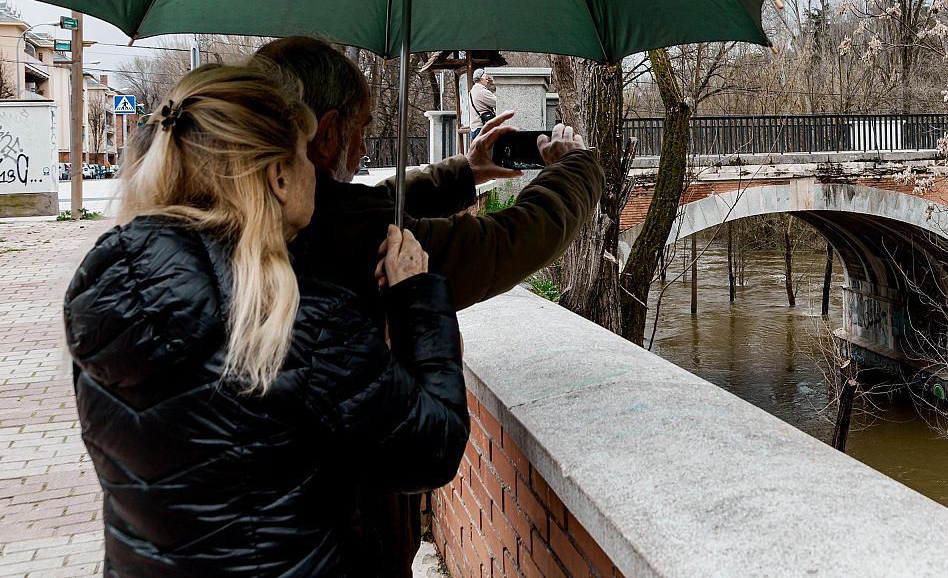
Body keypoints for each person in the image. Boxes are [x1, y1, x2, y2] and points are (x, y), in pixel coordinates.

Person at [64, 65, 468, 576]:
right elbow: (431, 450)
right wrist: (416, 298)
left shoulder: (104, 298)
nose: (312, 170)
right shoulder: (300, 326)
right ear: (278, 177)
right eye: (303, 154)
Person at [248, 36, 603, 576]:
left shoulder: (233, 222)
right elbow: (504, 244)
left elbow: (376, 199)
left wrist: (469, 170)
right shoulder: (342, 232)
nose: (365, 148)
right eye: (362, 129)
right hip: (345, 539)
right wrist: (578, 167)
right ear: (325, 134)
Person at [467, 68, 497, 141]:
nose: (487, 80)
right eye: (486, 78)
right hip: (482, 127)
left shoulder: (472, 90)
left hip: (475, 127)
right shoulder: (482, 91)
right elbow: (498, 103)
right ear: (481, 79)